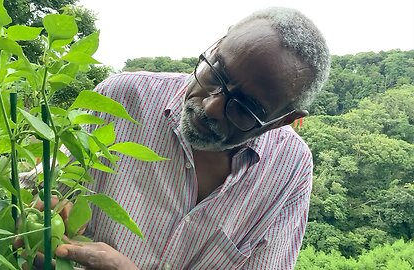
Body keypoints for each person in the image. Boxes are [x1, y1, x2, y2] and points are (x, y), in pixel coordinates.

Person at [50, 6, 330, 269]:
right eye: (217, 73)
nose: (211, 106)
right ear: (219, 43)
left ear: (282, 121)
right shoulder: (120, 99)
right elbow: (40, 193)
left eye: (245, 107)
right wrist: (39, 210)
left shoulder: (289, 168)